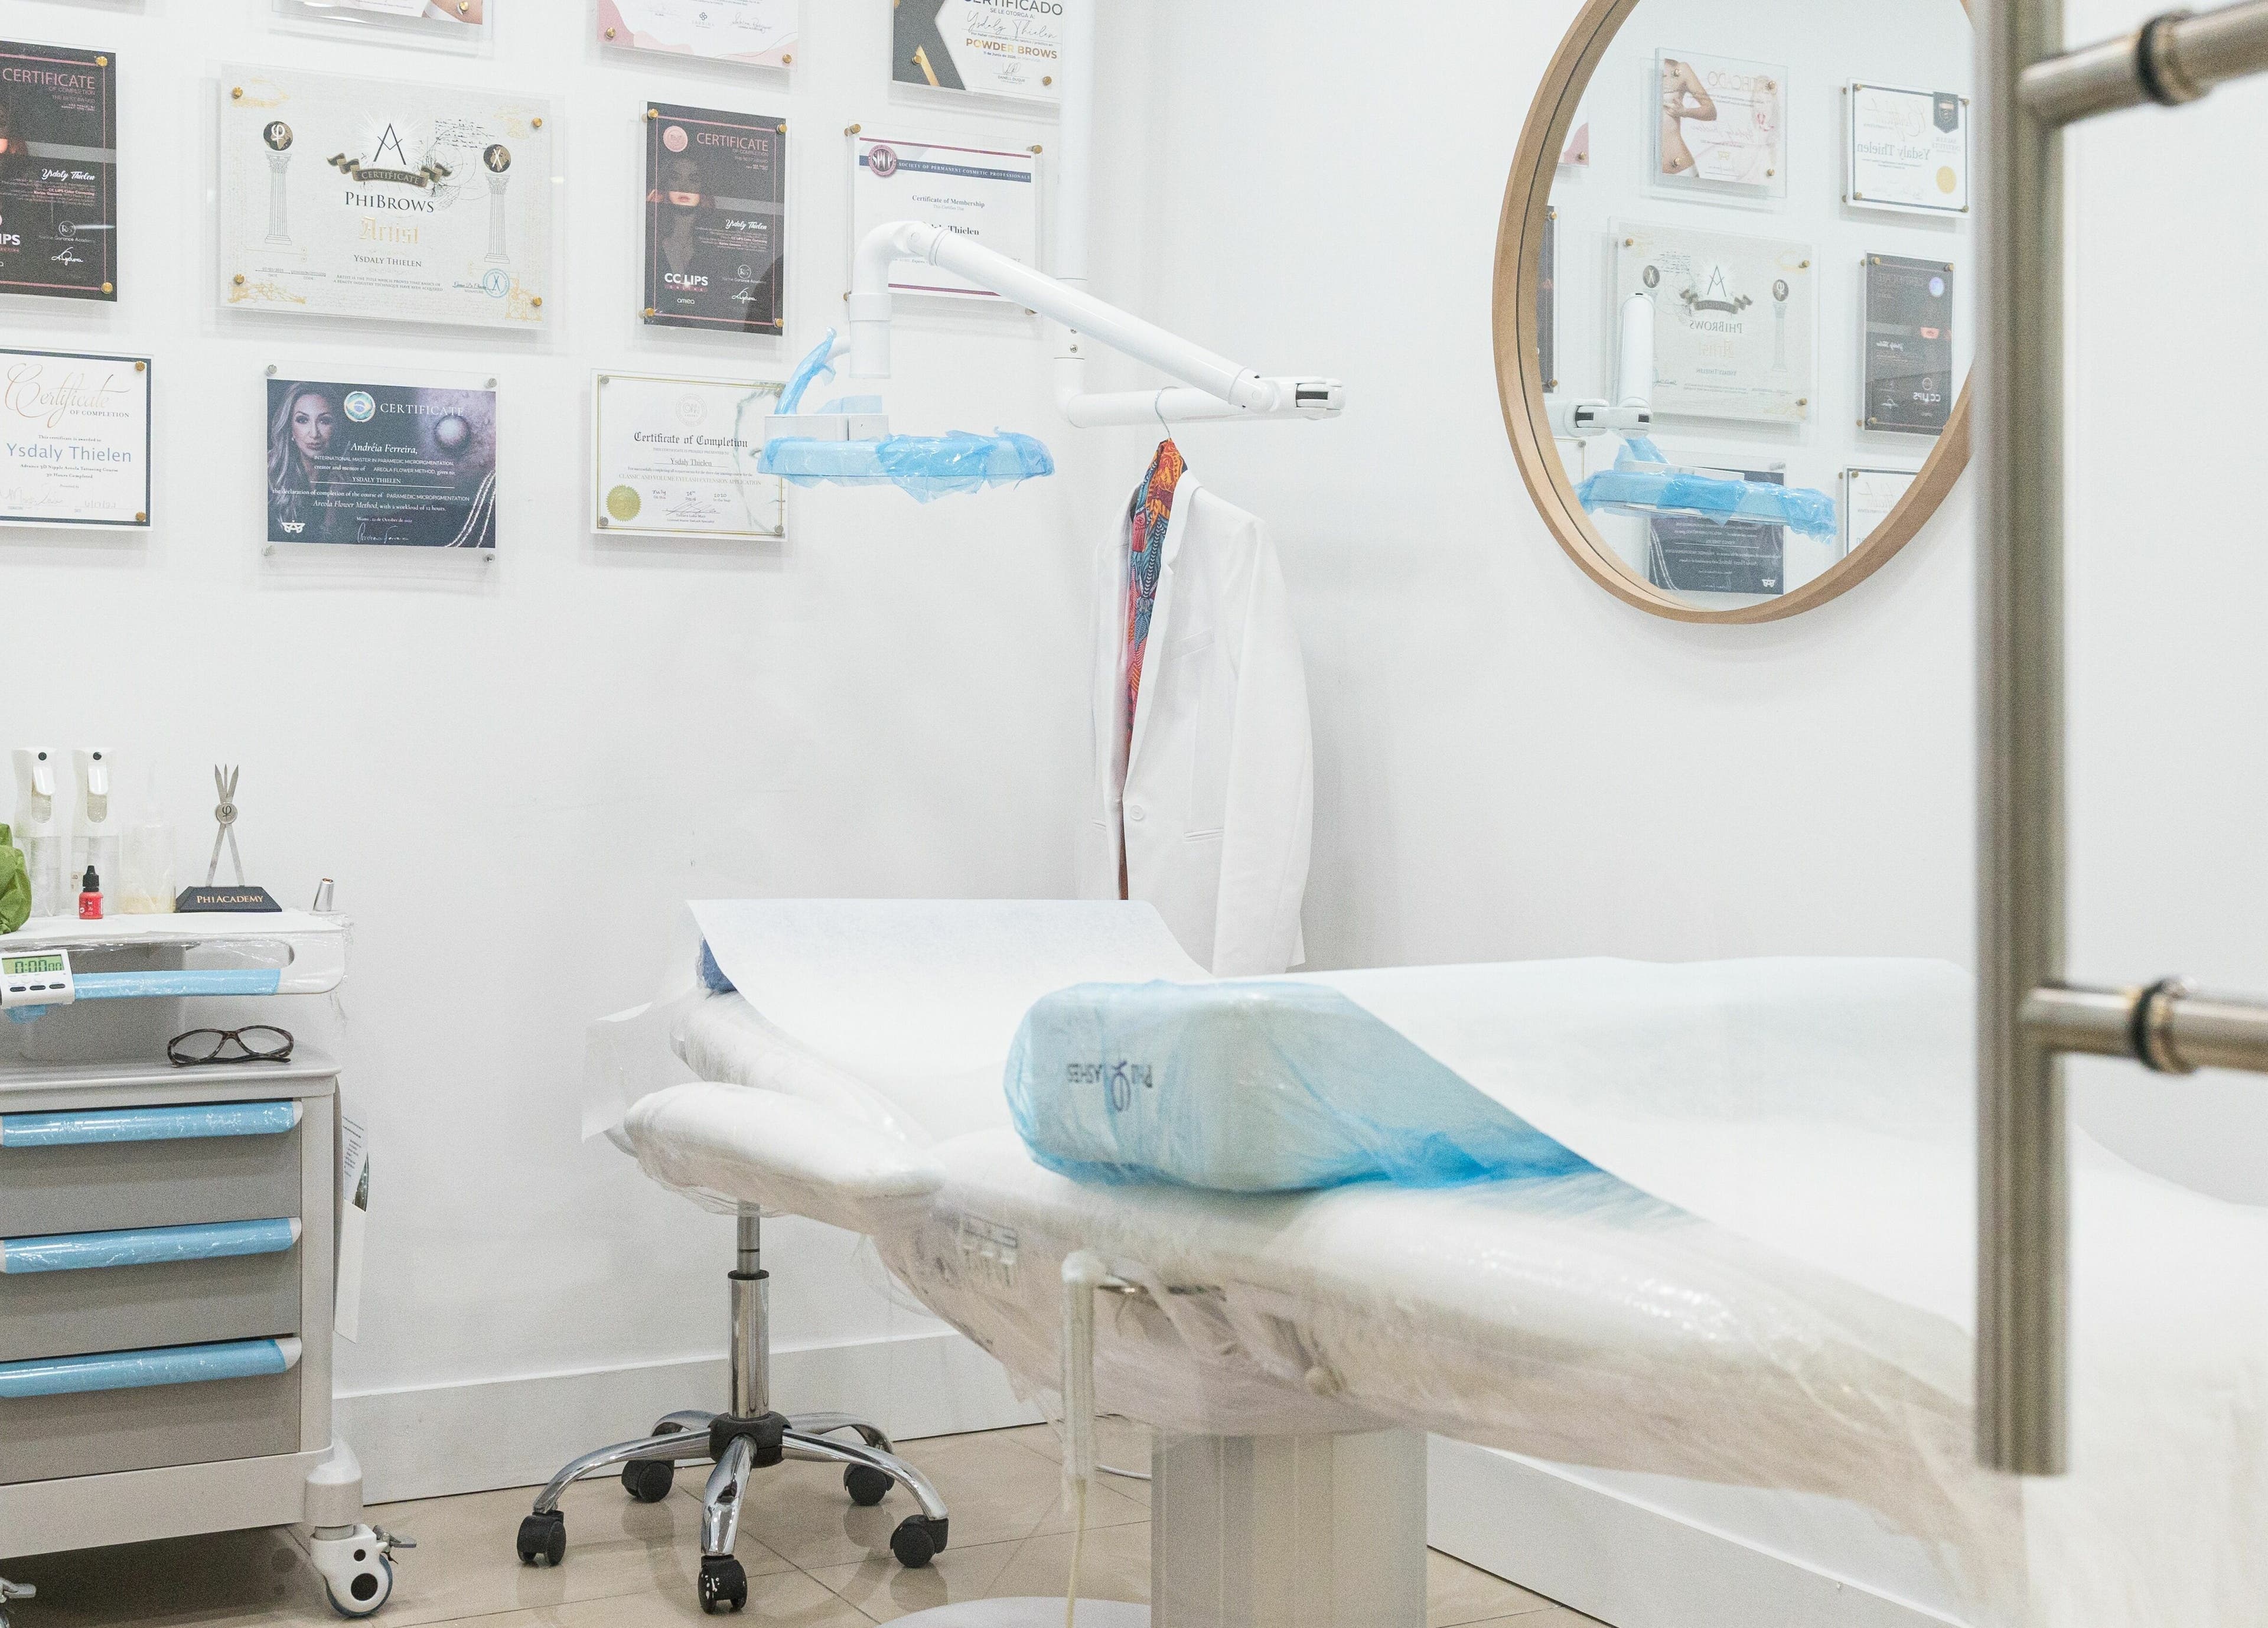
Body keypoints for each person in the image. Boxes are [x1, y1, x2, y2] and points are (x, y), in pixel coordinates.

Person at [267, 383, 344, 542]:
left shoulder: (344, 480)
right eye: (303, 420)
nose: (315, 434)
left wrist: (334, 506)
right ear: (290, 428)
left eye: (324, 421)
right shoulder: (269, 473)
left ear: (336, 427)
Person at [1660, 57, 1716, 176]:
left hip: (1681, 170)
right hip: (1643, 171)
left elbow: (1711, 111)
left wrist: (1684, 112)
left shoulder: (1681, 69)